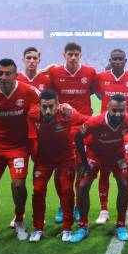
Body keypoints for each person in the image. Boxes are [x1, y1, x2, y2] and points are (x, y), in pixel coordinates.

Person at [0, 59, 39, 246]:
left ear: (15, 74)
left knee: (18, 185)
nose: (3, 77)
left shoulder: (27, 92)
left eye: (7, 73)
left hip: (19, 147)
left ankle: (19, 220)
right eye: (0, 73)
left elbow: (43, 108)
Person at [71, 94, 128, 243]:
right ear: (107, 107)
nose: (118, 114)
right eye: (114, 110)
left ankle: (120, 225)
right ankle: (83, 226)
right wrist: (82, 161)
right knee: (83, 186)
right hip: (95, 154)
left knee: (124, 184)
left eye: (121, 110)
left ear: (126, 109)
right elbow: (78, 136)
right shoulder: (95, 122)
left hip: (116, 155)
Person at [47, 42, 97, 225]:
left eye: (76, 54)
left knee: (79, 168)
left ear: (81, 55)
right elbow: (45, 93)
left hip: (83, 128)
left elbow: (96, 91)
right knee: (59, 170)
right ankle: (63, 204)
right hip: (60, 128)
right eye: (70, 54)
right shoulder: (54, 73)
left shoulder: (90, 73)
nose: (73, 57)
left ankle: (76, 205)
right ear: (64, 55)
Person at [27, 89, 84, 242]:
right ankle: (38, 228)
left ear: (58, 105)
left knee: (66, 190)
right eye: (44, 107)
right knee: (38, 190)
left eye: (51, 106)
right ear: (38, 105)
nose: (47, 111)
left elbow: (87, 120)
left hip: (65, 158)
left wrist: (75, 111)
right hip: (43, 159)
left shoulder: (67, 113)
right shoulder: (33, 115)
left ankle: (67, 228)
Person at [94, 49, 128, 225]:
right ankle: (104, 210)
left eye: (121, 59)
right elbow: (94, 90)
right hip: (104, 129)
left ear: (125, 60)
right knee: (104, 170)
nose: (118, 62)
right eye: (115, 59)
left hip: (126, 128)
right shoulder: (101, 77)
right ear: (110, 60)